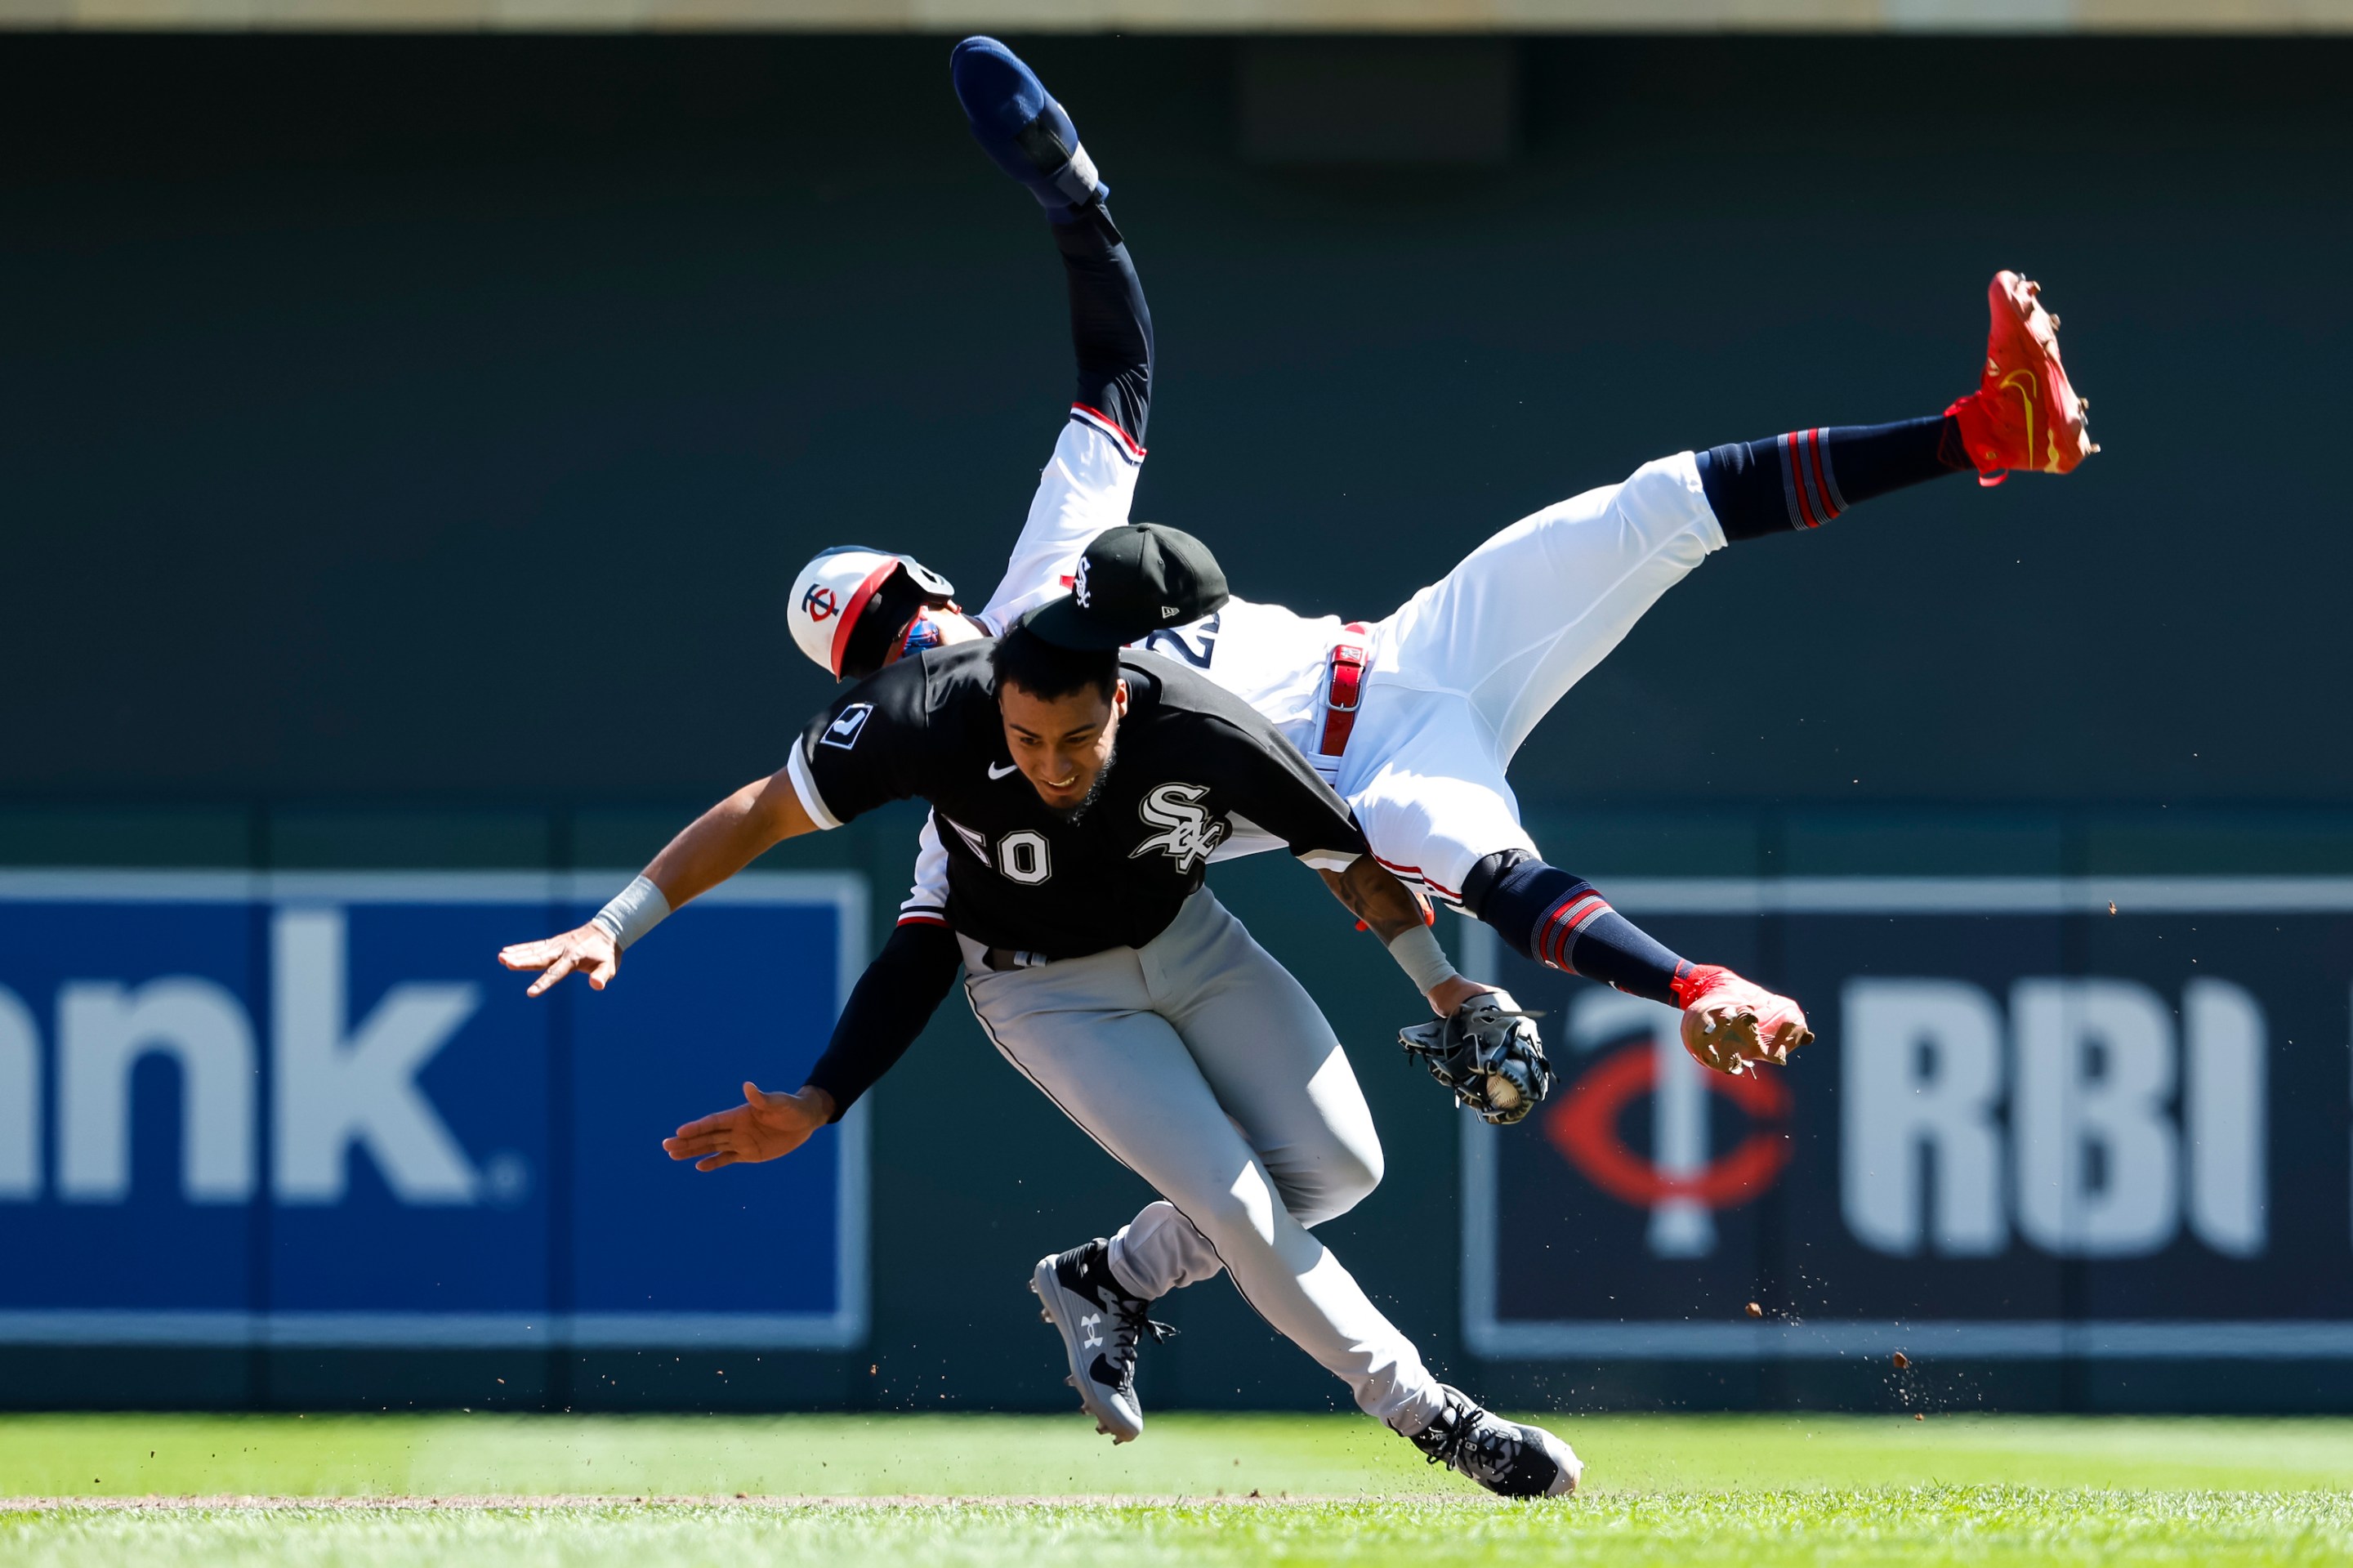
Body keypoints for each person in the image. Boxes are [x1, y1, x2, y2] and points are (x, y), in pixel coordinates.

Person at [788, 38, 2098, 1144]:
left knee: (1655, 507)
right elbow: (924, 942)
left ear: (932, 584)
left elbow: (1115, 371)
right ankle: (1697, 976)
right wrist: (1677, 986)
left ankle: (1986, 435)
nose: (913, 639)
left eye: (901, 606)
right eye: (883, 648)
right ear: (878, 691)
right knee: (1502, 872)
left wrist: (1079, 202)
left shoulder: (1044, 572)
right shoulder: (970, 781)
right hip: (1366, 790)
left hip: (1414, 647)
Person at [497, 538, 1583, 1498]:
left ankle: (1110, 1275)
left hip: (1191, 942)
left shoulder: (1199, 720)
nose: (1051, 768)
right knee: (1238, 1203)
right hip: (1045, 990)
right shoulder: (922, 715)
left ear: (1120, 697)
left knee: (1339, 1172)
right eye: (1024, 740)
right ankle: (1438, 1419)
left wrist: (1444, 982)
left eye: (1073, 740)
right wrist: (618, 925)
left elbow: (1346, 859)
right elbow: (765, 817)